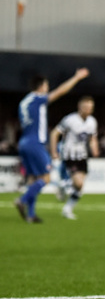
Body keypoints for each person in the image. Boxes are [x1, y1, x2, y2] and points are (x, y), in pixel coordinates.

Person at [14, 68, 90, 223]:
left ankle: (31, 214)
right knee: (46, 178)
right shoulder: (38, 98)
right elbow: (60, 92)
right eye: (46, 85)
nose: (47, 88)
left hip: (24, 142)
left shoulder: (24, 102)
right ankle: (22, 200)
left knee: (33, 180)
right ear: (41, 86)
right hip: (36, 143)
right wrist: (76, 78)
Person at [50, 96, 99, 220]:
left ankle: (67, 208)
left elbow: (92, 138)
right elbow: (55, 133)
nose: (88, 109)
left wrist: (95, 149)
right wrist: (54, 151)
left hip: (83, 155)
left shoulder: (92, 122)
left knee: (80, 186)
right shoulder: (70, 119)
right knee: (78, 182)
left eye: (90, 107)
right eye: (86, 106)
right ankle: (63, 186)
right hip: (70, 155)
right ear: (80, 107)